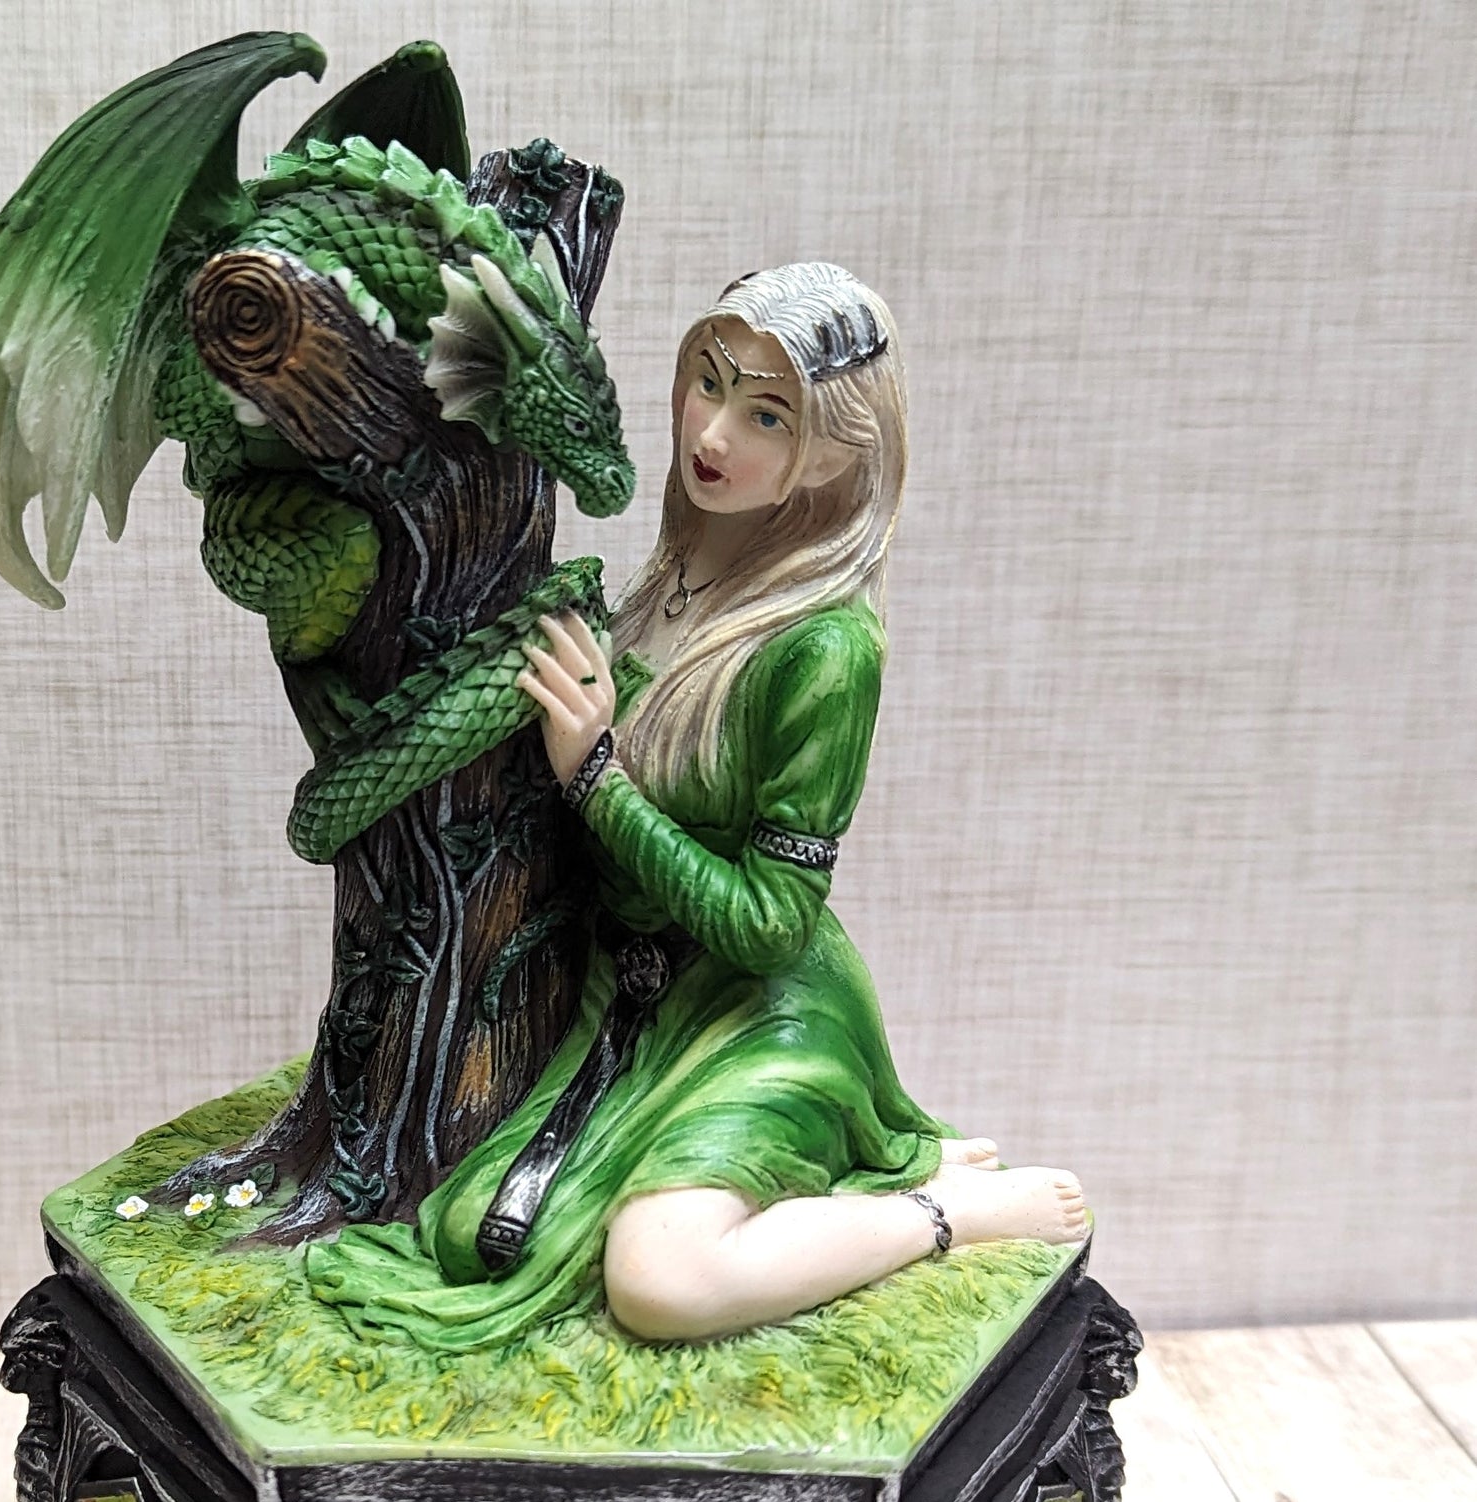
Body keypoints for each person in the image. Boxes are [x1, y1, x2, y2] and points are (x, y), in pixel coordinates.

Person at [306, 263, 1085, 1350]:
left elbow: (771, 927)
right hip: (626, 1003)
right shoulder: (674, 577)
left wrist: (597, 777)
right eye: (707, 383)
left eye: (766, 414)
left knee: (658, 1282)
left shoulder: (824, 648)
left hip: (758, 1008)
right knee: (473, 1230)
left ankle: (940, 1209)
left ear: (835, 450)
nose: (711, 432)